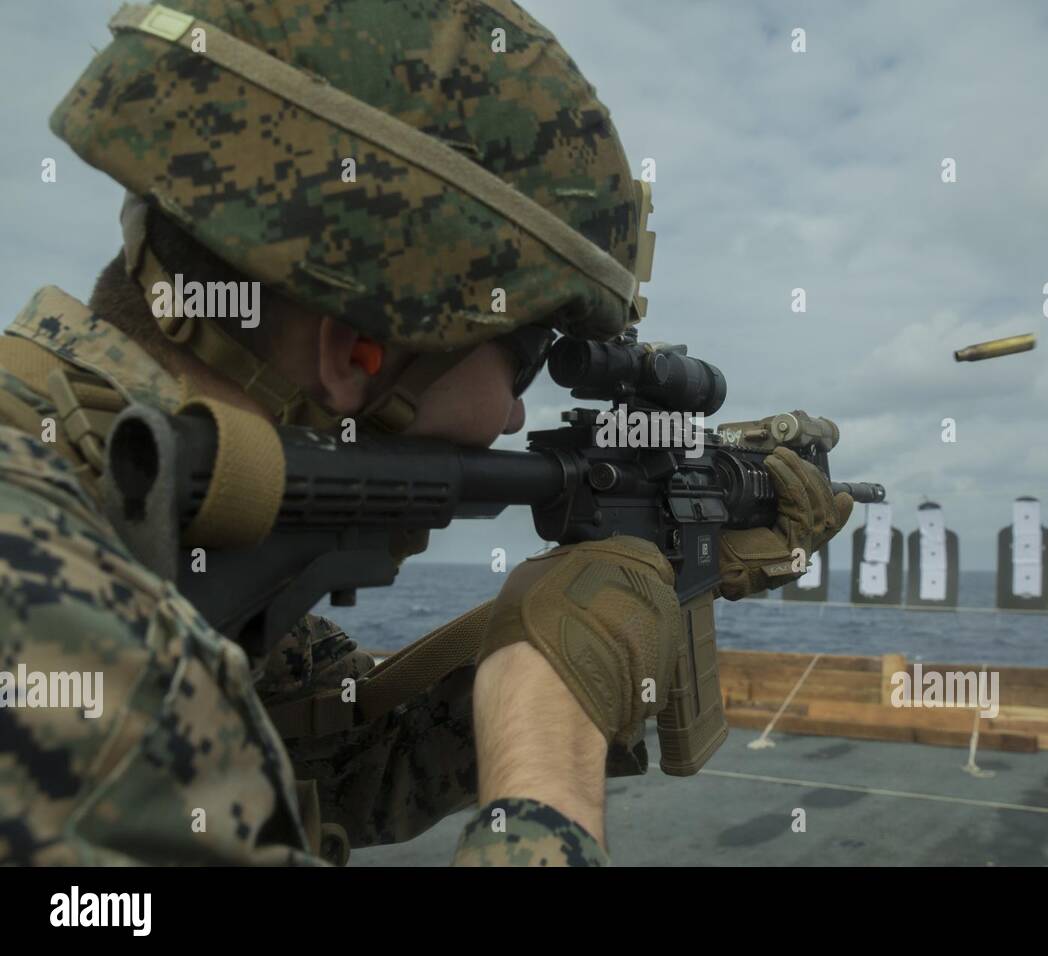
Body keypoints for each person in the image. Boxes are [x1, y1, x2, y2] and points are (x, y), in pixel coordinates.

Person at [0, 0, 850, 866]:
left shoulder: (114, 510)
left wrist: (587, 627)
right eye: (524, 361)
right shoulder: (40, 614)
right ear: (359, 351)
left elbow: (336, 749)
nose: (519, 416)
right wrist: (550, 742)